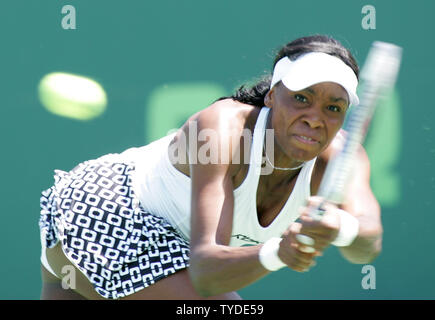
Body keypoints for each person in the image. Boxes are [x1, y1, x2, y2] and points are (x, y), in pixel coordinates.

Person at [39, 34, 383, 300]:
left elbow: (368, 243)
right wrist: (280, 251)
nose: (315, 119)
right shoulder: (222, 130)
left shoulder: (341, 160)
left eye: (333, 108)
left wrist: (339, 226)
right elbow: (206, 273)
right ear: (272, 95)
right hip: (105, 212)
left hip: (165, 255)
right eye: (301, 98)